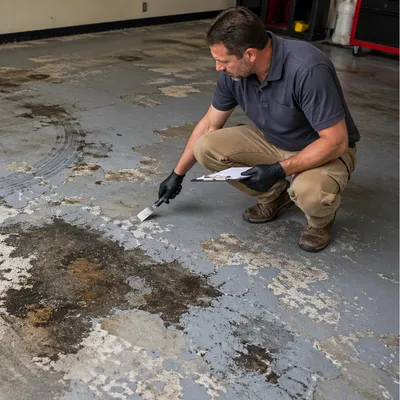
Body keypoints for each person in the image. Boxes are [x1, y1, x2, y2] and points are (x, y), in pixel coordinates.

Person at [158, 6, 359, 252]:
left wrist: (278, 169)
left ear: (250, 54)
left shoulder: (307, 69)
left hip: (323, 149)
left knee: (309, 193)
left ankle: (319, 223)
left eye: (223, 61)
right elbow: (210, 123)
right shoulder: (234, 74)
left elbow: (335, 141)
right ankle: (275, 196)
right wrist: (177, 174)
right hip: (274, 140)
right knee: (206, 147)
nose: (218, 68)